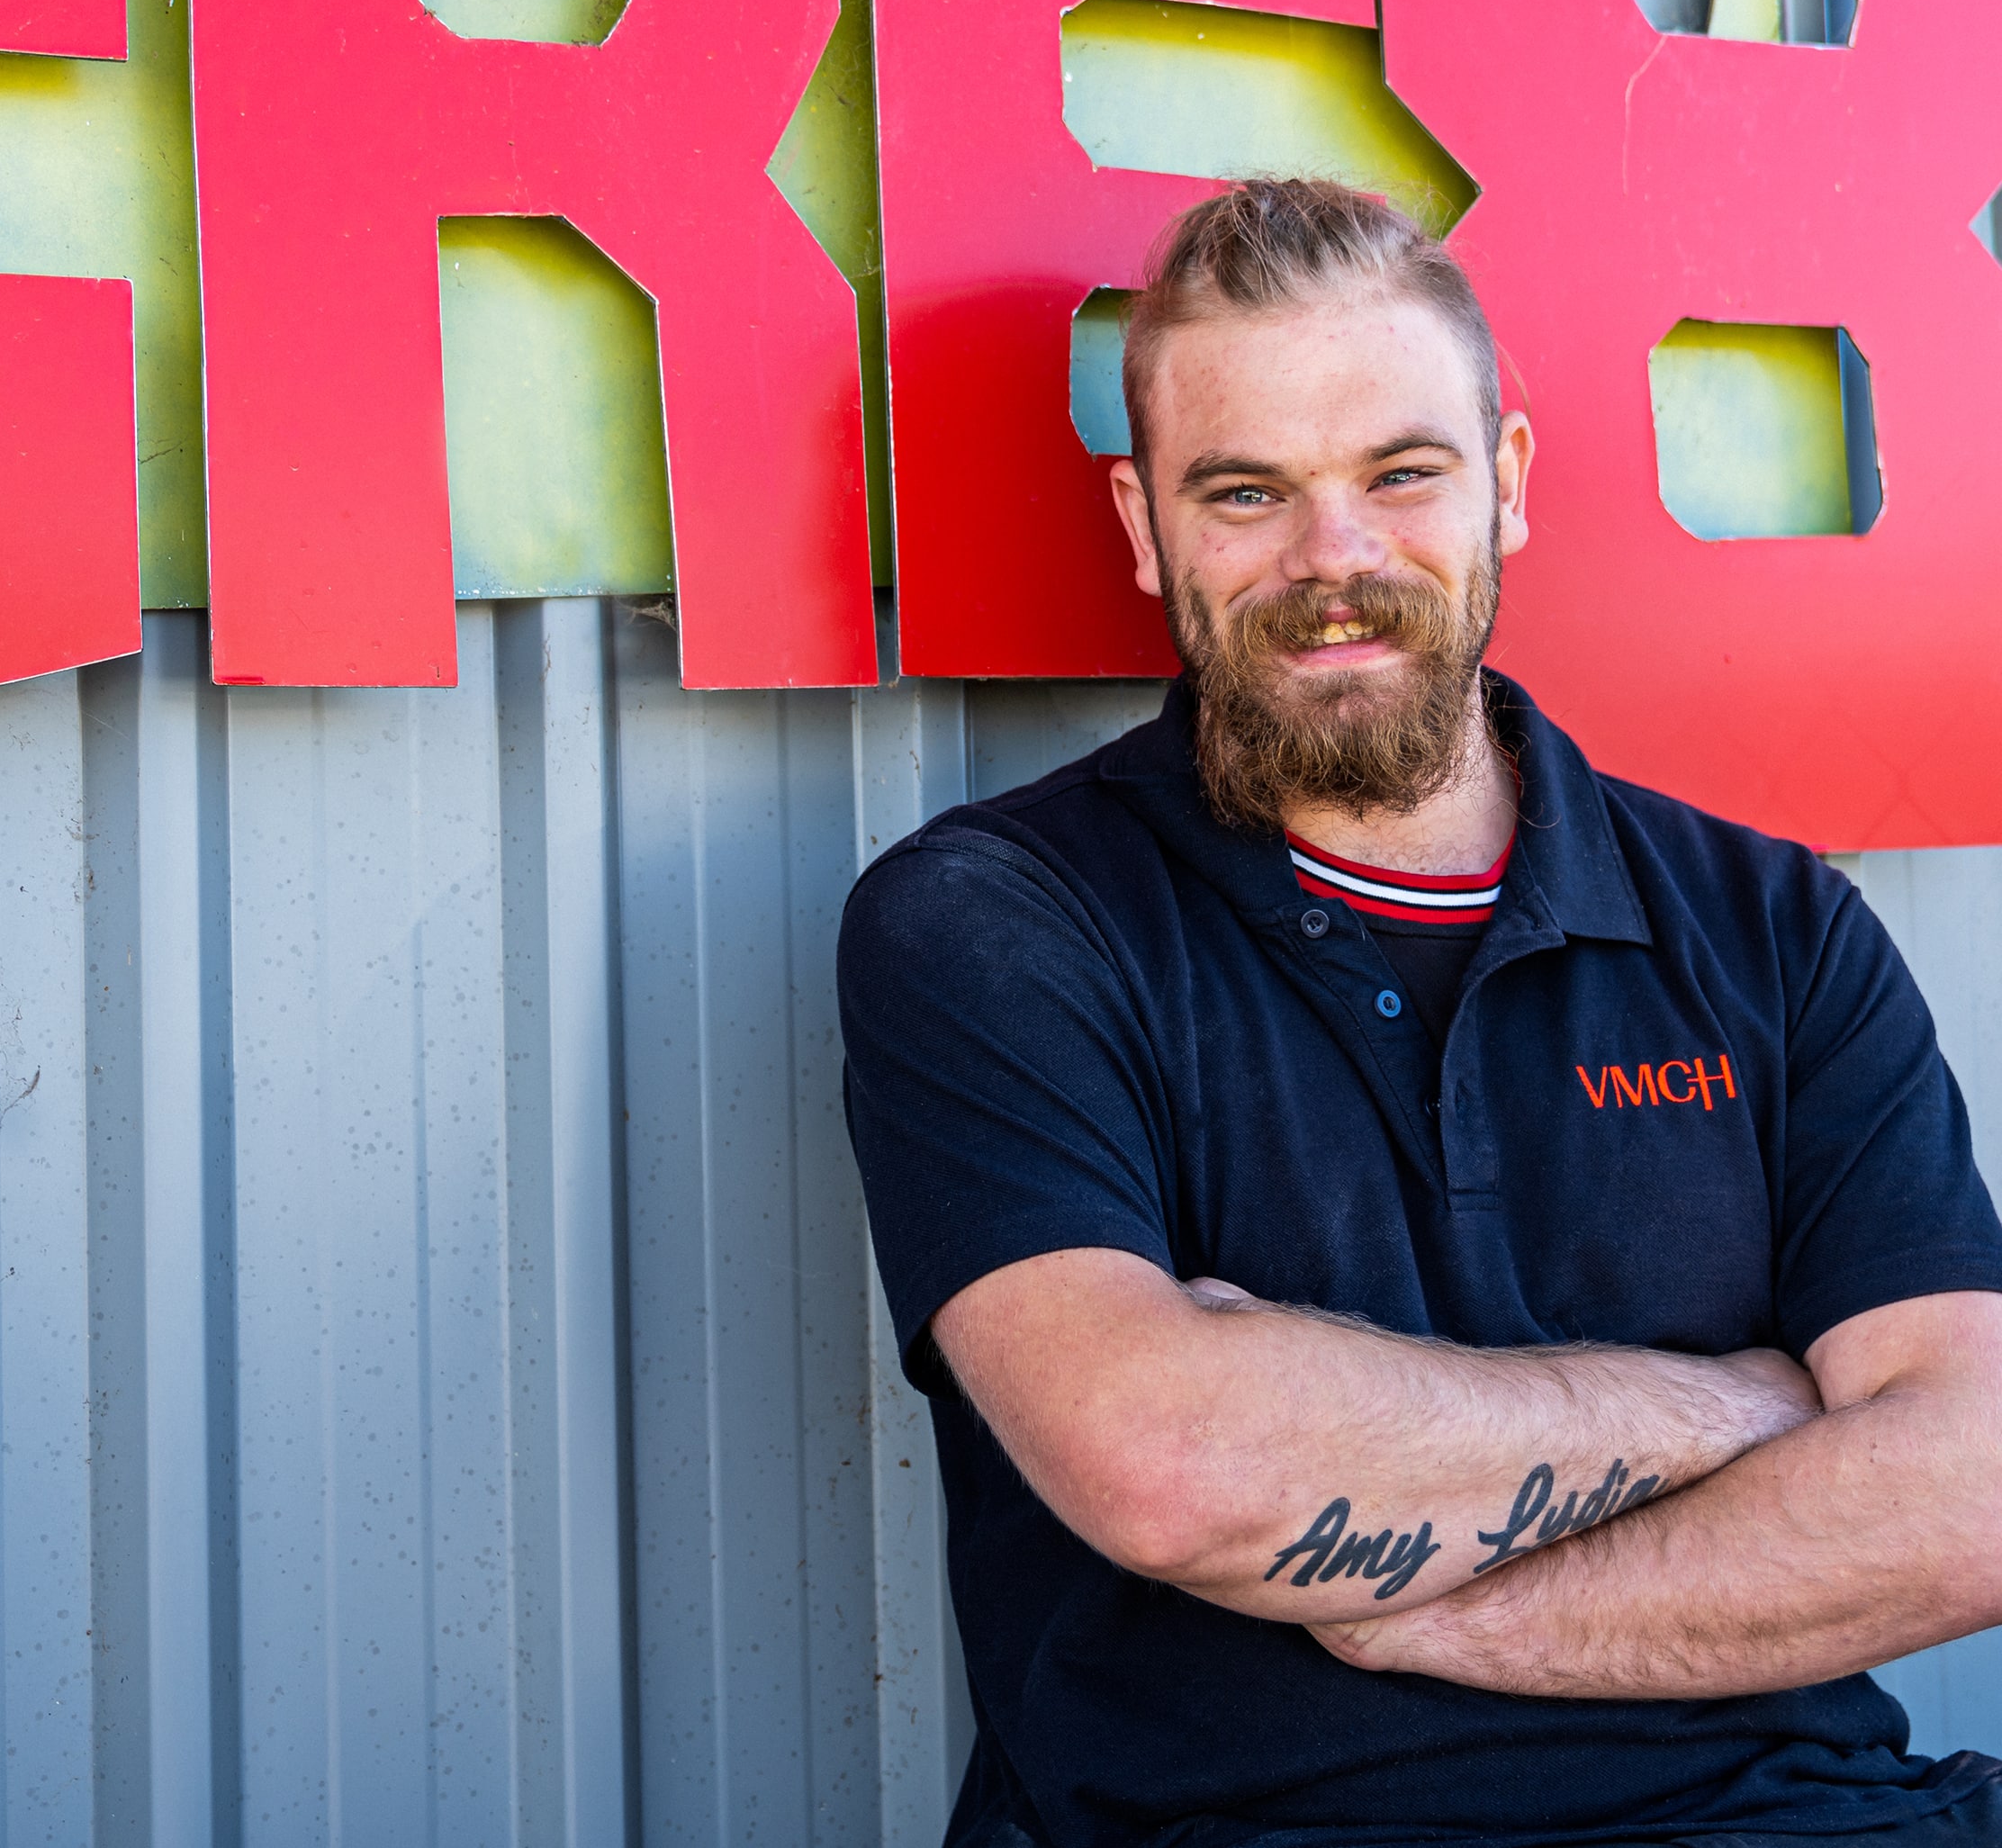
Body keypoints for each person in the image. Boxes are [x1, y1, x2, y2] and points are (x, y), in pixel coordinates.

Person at [837, 177, 2002, 1848]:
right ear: (1142, 523)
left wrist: (1444, 1609)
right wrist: (1745, 1402)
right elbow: (1167, 1463)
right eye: (1246, 492)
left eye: (1402, 473)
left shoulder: (1774, 926)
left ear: (1507, 483)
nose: (1339, 561)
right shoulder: (996, 921)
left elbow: (1971, 1486)